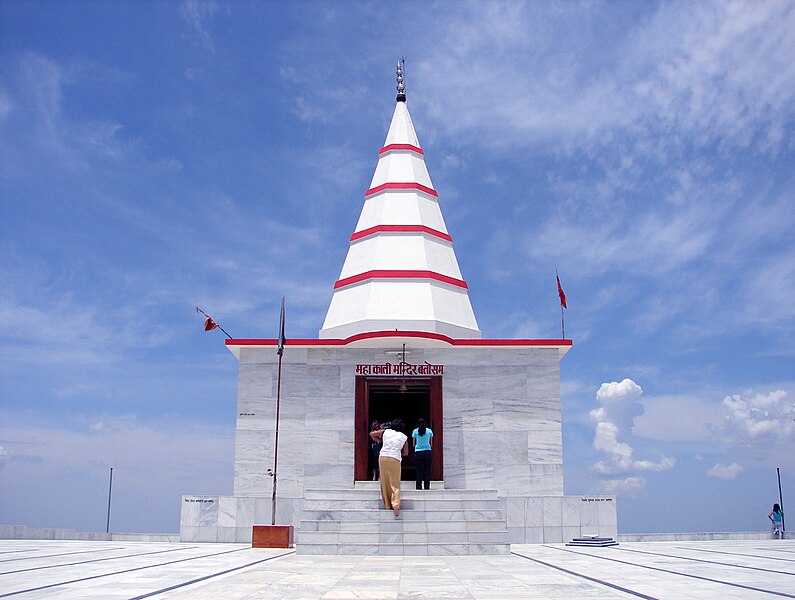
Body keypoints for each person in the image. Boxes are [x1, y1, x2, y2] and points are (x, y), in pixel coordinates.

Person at [370, 419, 407, 517]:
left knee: (384, 482)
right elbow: (406, 453)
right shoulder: (403, 437)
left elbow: (372, 434)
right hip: (395, 458)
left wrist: (381, 442)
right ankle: (395, 504)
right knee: (395, 482)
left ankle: (387, 504)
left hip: (383, 457)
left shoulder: (386, 432)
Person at [411, 418, 433, 490]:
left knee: (419, 471)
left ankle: (418, 486)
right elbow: (431, 444)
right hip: (427, 451)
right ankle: (427, 486)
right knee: (427, 470)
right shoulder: (429, 431)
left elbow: (413, 444)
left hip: (418, 452)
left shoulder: (415, 431)